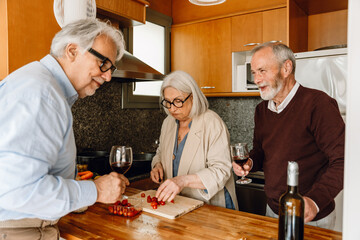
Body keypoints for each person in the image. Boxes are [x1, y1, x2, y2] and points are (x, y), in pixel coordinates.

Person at [0, 19, 129, 239]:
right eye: (103, 64)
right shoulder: (42, 95)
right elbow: (18, 190)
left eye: (111, 68)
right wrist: (96, 191)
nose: (108, 76)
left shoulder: (40, 85)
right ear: (72, 51)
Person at [232, 42, 345, 229]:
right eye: (254, 73)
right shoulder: (262, 110)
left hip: (311, 217)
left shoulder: (319, 105)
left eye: (262, 71)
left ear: (286, 68)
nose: (257, 79)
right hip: (273, 211)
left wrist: (315, 201)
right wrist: (250, 162)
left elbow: (344, 160)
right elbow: (260, 151)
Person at [150, 70, 238, 210]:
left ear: (193, 97)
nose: (172, 108)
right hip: (180, 205)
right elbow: (160, 152)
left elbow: (221, 170)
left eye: (178, 101)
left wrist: (182, 181)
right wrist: (157, 165)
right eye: (167, 102)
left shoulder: (212, 122)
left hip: (211, 206)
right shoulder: (168, 123)